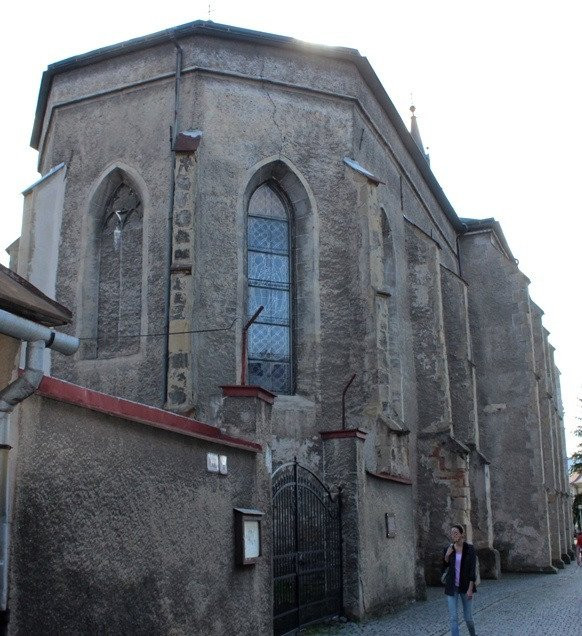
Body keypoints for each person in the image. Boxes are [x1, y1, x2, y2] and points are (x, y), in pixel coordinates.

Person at [442, 524, 477, 636]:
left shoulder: (470, 549)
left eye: (456, 532)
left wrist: (470, 589)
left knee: (468, 618)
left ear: (462, 534)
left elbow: (472, 570)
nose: (453, 535)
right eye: (452, 533)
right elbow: (444, 567)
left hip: (466, 587)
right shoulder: (448, 549)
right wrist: (447, 556)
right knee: (453, 618)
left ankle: (473, 634)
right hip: (452, 587)